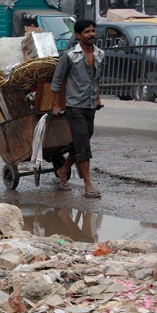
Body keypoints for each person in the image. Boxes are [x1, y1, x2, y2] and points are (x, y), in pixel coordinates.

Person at [51, 19, 105, 198]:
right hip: (75, 107)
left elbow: (96, 80)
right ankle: (88, 186)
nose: (91, 34)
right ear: (78, 35)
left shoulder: (99, 54)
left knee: (82, 142)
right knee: (83, 145)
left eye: (92, 31)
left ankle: (63, 170)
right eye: (87, 32)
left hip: (90, 106)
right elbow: (57, 81)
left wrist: (97, 99)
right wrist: (57, 104)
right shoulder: (70, 56)